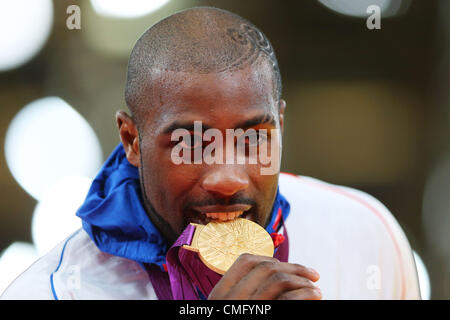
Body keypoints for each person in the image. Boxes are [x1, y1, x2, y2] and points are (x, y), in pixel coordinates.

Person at [1, 6, 420, 300]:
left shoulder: (366, 236)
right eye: (191, 143)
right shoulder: (54, 292)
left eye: (253, 138)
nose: (228, 178)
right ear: (131, 140)